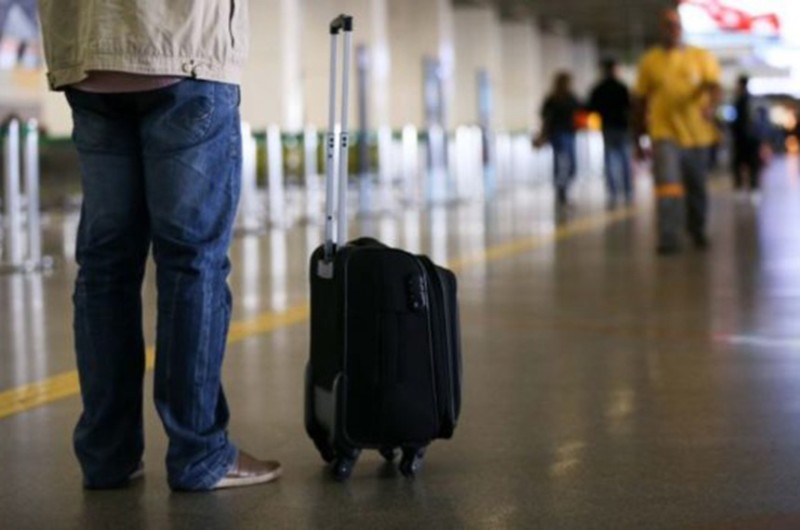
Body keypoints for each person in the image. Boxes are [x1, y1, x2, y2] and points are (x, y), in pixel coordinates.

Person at [37, 0, 282, 491]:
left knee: (105, 268)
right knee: (191, 262)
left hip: (88, 55)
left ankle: (107, 456)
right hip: (182, 47)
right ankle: (199, 453)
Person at [634, 8, 722, 255]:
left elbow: (715, 87)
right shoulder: (650, 60)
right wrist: (638, 138)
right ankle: (668, 236)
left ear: (681, 28)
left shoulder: (700, 56)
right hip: (664, 133)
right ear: (661, 29)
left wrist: (710, 106)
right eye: (667, 25)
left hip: (698, 134)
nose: (672, 30)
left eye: (676, 25)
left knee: (696, 186)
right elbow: (640, 100)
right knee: (668, 185)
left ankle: (697, 229)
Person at [587, 58, 633, 209]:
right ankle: (628, 191)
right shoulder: (622, 87)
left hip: (608, 127)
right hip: (622, 127)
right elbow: (630, 107)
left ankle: (613, 192)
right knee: (625, 160)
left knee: (610, 161)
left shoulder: (598, 89)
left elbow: (591, 108)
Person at [540, 71, 581, 210]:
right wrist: (543, 134)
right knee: (563, 164)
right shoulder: (553, 99)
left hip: (569, 135)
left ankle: (562, 190)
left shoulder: (570, 98)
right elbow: (546, 119)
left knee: (567, 165)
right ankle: (561, 192)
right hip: (558, 135)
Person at [731, 75, 763, 199]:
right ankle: (751, 188)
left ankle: (747, 188)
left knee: (745, 163)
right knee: (749, 164)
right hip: (749, 138)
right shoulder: (750, 100)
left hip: (745, 139)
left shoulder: (742, 100)